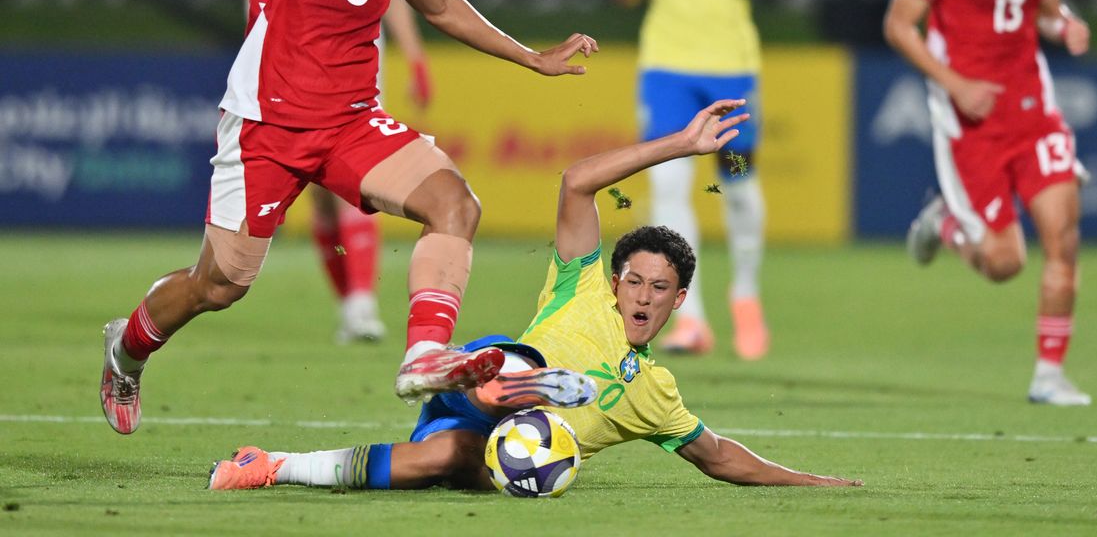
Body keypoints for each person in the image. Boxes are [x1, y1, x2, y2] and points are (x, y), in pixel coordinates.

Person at [99, 0, 598, 435]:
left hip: (350, 124)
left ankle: (424, 353)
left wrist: (531, 59)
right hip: (266, 126)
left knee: (455, 204)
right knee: (218, 285)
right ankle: (127, 349)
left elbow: (442, 5)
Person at [207, 100, 862, 491]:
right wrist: (681, 146)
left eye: (658, 288)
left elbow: (718, 457)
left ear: (679, 300)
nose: (640, 295)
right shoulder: (581, 287)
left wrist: (817, 483)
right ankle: (527, 383)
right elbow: (577, 183)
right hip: (479, 376)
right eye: (632, 279)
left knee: (446, 459)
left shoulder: (655, 394)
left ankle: (268, 465)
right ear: (614, 281)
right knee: (513, 369)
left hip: (484, 442)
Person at [883, 0, 1092, 406]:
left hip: (1033, 111)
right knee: (1004, 263)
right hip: (969, 122)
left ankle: (1049, 375)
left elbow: (1047, 9)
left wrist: (1067, 26)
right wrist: (955, 83)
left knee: (1064, 239)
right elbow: (900, 27)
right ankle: (943, 222)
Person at [613, 0, 796, 360]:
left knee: (737, 184)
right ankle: (690, 318)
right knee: (667, 188)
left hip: (729, 72)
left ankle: (745, 291)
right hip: (665, 67)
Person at [240, 0, 434, 345]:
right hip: (281, 88)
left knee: (354, 193)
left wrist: (414, 56)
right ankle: (349, 305)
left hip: (348, 83)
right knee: (314, 210)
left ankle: (363, 303)